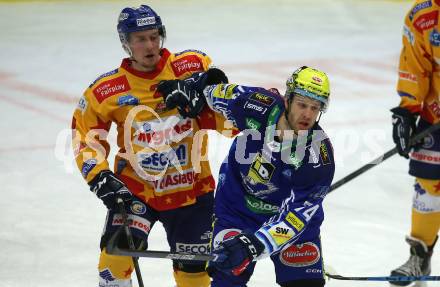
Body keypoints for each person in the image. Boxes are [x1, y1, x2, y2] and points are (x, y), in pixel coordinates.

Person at [71, 5, 236, 287]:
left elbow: (227, 112)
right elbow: (85, 136)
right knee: (113, 263)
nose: (150, 45)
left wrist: (202, 95)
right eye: (140, 39)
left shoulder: (191, 66)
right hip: (135, 193)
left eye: (154, 36)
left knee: (194, 277)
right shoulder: (106, 90)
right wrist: (98, 176)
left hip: (193, 193)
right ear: (125, 43)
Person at [160, 66, 335, 286]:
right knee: (226, 279)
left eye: (315, 107)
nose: (308, 114)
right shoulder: (256, 104)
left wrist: (256, 243)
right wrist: (194, 84)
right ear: (287, 100)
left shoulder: (319, 157)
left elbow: (296, 218)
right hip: (237, 208)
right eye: (302, 104)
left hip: (289, 217)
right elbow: (214, 92)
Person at [389, 0, 440, 285]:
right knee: (427, 183)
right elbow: (414, 68)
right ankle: (419, 256)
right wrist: (408, 112)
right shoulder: (423, 17)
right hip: (437, 113)